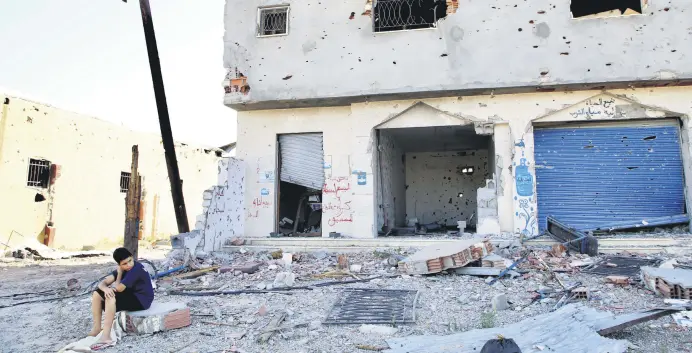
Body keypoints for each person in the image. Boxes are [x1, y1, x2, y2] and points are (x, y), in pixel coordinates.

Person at [88, 247, 154, 349]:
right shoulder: (123, 268)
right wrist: (105, 289)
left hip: (142, 300)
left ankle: (106, 337)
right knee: (97, 294)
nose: (129, 265)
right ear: (119, 264)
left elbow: (118, 288)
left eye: (130, 261)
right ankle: (97, 329)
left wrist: (119, 274)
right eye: (124, 264)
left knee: (111, 295)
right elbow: (102, 283)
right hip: (131, 294)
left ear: (132, 258)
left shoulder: (136, 269)